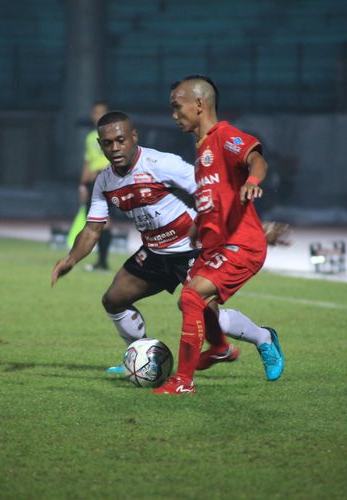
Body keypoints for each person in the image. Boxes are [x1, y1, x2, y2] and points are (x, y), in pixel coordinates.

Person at [51, 111, 284, 380]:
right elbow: (93, 229)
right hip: (154, 251)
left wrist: (254, 226)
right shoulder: (104, 181)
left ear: (134, 137)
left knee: (203, 311)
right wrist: (70, 259)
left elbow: (213, 191)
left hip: (192, 248)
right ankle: (138, 358)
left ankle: (264, 338)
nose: (114, 148)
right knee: (114, 300)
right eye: (107, 143)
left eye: (120, 140)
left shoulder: (161, 163)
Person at [153, 75, 283, 395]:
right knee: (196, 306)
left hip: (242, 245)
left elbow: (257, 159)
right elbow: (214, 195)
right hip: (215, 244)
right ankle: (232, 345)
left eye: (176, 106)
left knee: (192, 296)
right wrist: (200, 225)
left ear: (198, 105)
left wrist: (253, 179)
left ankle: (182, 382)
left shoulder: (224, 136)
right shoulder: (201, 149)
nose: (173, 115)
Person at [77, 101, 112, 271]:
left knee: (103, 220)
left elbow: (117, 159)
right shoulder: (90, 137)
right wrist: (83, 184)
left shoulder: (113, 136)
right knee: (97, 221)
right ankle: (101, 261)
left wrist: (101, 172)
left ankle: (103, 262)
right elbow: (87, 162)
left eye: (101, 112)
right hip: (93, 182)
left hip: (107, 180)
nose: (97, 116)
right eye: (95, 112)